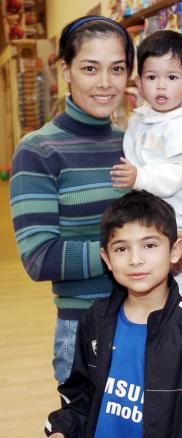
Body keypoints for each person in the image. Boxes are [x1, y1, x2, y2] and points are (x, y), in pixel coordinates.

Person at [44, 190, 182, 438]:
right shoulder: (95, 320)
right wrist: (62, 429)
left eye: (149, 245)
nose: (135, 259)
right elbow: (79, 396)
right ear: (106, 258)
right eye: (121, 249)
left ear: (175, 250)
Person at [9, 16, 135, 384]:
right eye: (90, 68)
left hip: (148, 323)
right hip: (85, 330)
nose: (104, 83)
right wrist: (127, 255)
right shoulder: (39, 151)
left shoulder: (133, 144)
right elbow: (38, 257)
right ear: (66, 69)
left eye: (117, 69)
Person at [111, 30, 182, 313]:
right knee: (156, 287)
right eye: (151, 77)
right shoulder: (141, 120)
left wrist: (140, 178)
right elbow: (133, 155)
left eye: (171, 78)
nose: (161, 87)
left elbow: (177, 173)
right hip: (157, 215)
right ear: (138, 82)